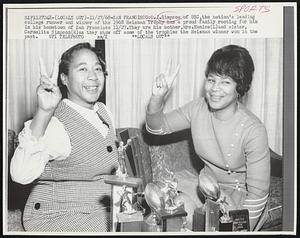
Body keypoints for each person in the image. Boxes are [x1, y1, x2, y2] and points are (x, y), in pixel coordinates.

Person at [145, 45, 270, 231]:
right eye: (211, 80)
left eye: (225, 82)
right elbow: (157, 128)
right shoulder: (197, 108)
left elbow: (258, 194)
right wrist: (157, 97)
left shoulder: (253, 129)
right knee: (172, 210)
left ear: (240, 87)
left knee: (212, 225)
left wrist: (240, 229)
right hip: (205, 188)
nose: (214, 89)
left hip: (239, 197)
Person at [10, 42, 119, 232]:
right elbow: (20, 175)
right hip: (57, 215)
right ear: (64, 78)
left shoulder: (103, 112)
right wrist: (45, 111)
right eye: (82, 69)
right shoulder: (56, 125)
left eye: (98, 69)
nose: (93, 76)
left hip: (99, 210)